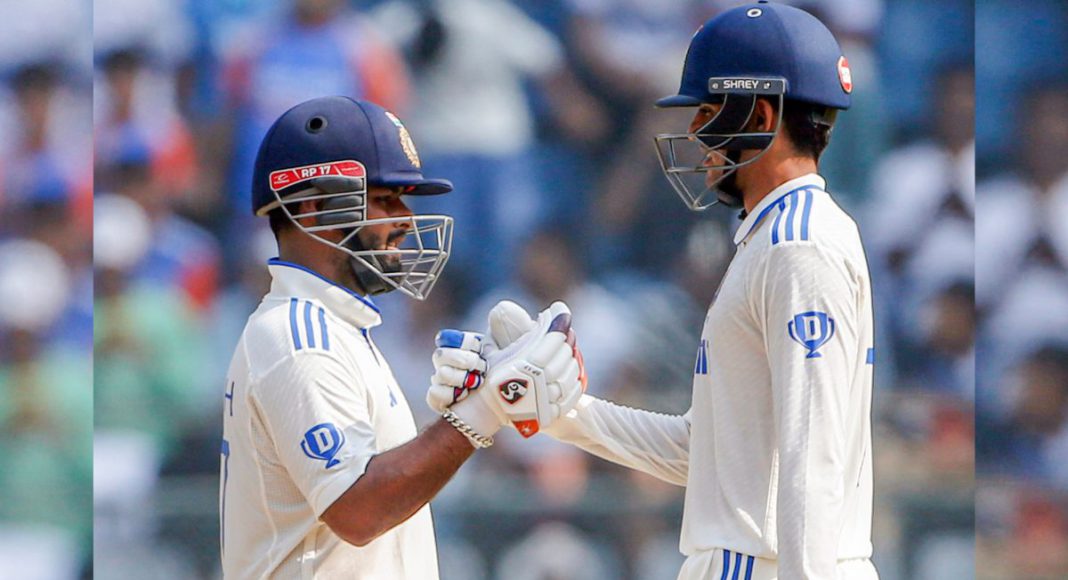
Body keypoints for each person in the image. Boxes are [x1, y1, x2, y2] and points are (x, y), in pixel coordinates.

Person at [434, 3, 877, 578]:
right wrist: (561, 412)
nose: (695, 133)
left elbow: (811, 463)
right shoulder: (774, 236)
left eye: (707, 113)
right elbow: (705, 452)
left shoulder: (797, 245)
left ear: (762, 114)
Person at [218, 95, 585, 579]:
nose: (406, 219)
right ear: (311, 207)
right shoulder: (298, 336)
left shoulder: (334, 328)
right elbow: (358, 510)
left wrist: (464, 409)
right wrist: (480, 412)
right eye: (385, 199)